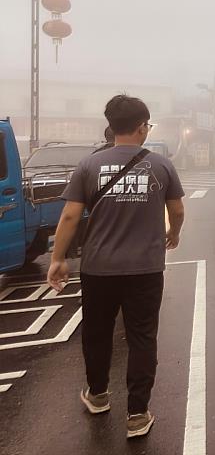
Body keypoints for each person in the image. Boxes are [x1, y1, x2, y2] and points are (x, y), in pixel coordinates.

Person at [47, 95, 185, 439]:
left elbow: (69, 215)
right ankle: (137, 414)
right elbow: (178, 210)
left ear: (112, 128)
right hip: (146, 270)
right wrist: (173, 232)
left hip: (98, 269)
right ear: (141, 127)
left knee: (96, 333)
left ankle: (97, 395)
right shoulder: (161, 165)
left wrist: (57, 258)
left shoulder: (89, 165)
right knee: (141, 337)